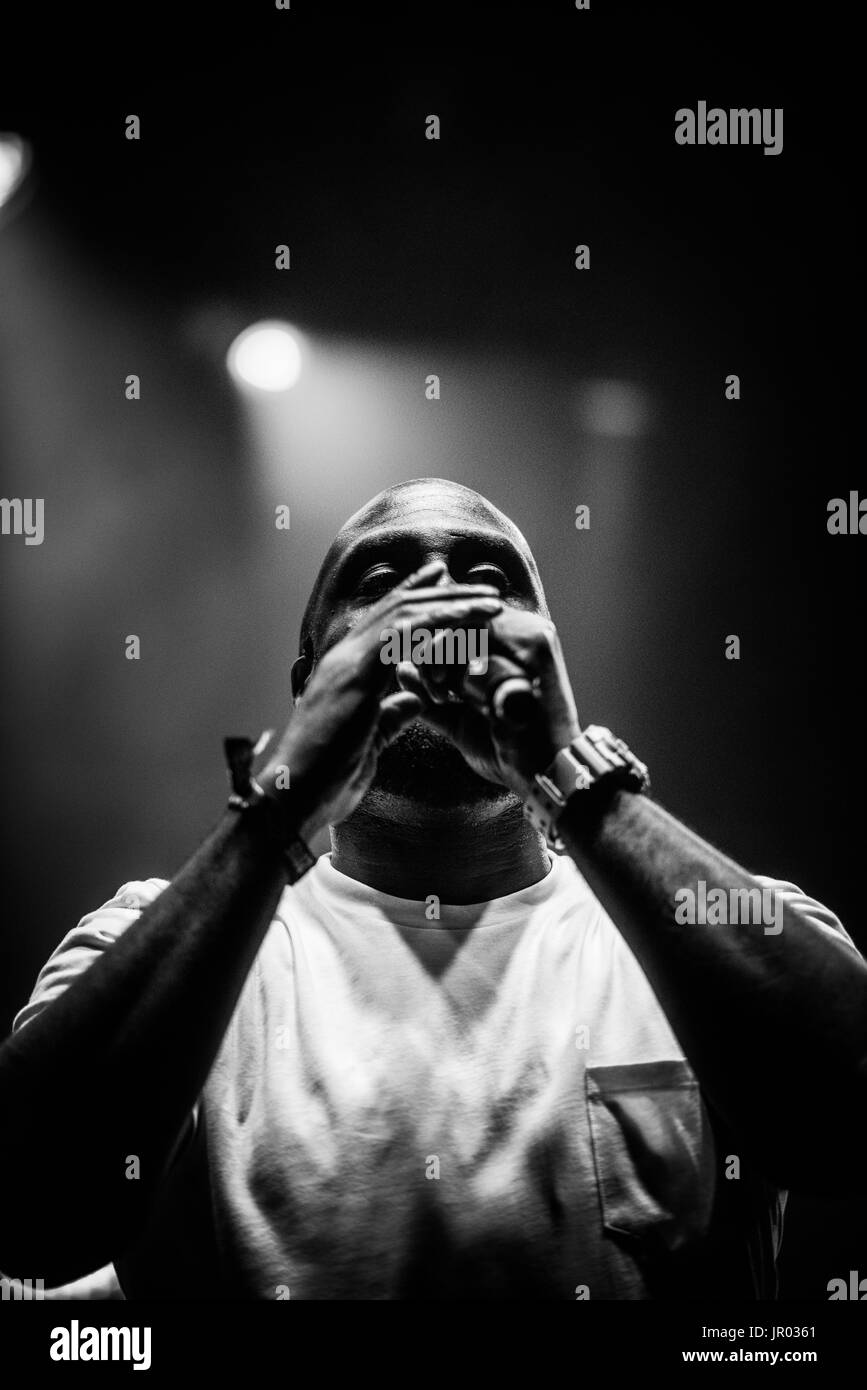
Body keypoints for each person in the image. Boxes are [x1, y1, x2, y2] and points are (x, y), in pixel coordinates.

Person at [1, 477, 865, 1300]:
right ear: (310, 685)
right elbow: (31, 1217)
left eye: (487, 577)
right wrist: (280, 806)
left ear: (552, 668)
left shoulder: (708, 922)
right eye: (380, 581)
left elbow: (843, 1126)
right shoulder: (153, 933)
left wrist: (571, 779)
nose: (435, 600)